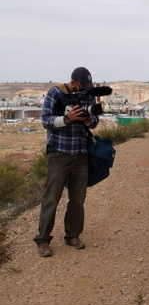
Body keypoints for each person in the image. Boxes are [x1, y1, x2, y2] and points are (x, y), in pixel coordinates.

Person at [34, 67, 99, 257]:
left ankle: (72, 236)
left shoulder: (87, 95)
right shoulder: (55, 93)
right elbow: (46, 121)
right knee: (51, 199)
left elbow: (94, 121)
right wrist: (66, 119)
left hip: (80, 154)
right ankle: (43, 240)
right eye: (82, 85)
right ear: (74, 82)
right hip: (59, 153)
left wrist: (86, 118)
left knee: (78, 200)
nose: (85, 88)